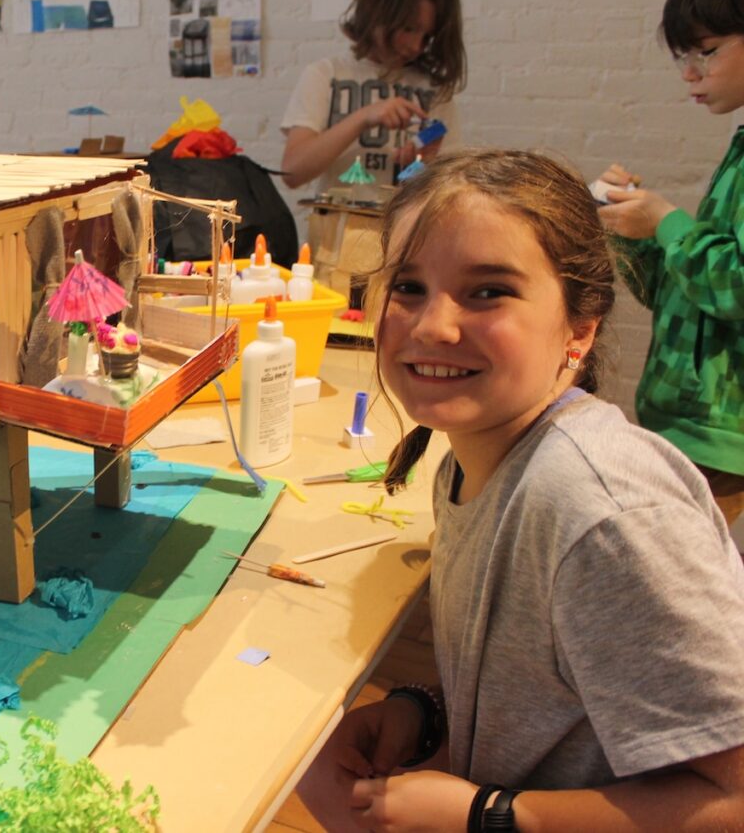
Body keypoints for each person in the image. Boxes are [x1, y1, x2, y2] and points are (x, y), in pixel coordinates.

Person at [297, 150, 744, 832]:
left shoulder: (602, 514)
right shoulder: (471, 461)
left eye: (487, 292)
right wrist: (422, 710)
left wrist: (497, 814)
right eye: (409, 286)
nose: (431, 327)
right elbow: (548, 685)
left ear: (580, 329)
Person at [597, 0, 744, 525]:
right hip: (686, 419)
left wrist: (666, 221)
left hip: (720, 433)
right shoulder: (739, 149)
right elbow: (680, 293)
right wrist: (638, 230)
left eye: (707, 51)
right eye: (685, 56)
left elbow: (736, 287)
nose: (690, 72)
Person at [280, 0, 465, 192]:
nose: (416, 46)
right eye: (408, 28)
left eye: (427, 37)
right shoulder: (326, 74)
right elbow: (292, 172)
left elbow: (446, 194)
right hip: (334, 223)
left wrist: (422, 164)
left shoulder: (434, 91)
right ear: (376, 10)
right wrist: (363, 117)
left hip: (401, 223)